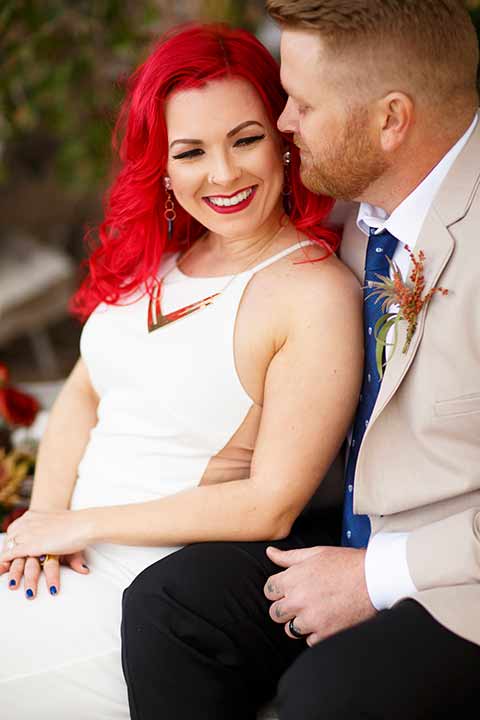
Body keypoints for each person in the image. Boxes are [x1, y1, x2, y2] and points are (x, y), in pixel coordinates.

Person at [119, 1, 480, 719]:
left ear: (390, 119)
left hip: (458, 576)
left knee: (324, 698)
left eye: (303, 104)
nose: (283, 123)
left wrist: (376, 577)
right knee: (170, 605)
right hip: (353, 530)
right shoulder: (357, 209)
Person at [0, 23, 363, 719]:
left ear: (285, 132)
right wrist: (45, 517)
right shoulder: (163, 258)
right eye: (191, 151)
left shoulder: (312, 293)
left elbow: (271, 503)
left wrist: (82, 524)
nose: (223, 175)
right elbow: (82, 391)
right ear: (161, 165)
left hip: (147, 597)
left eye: (246, 138)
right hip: (60, 556)